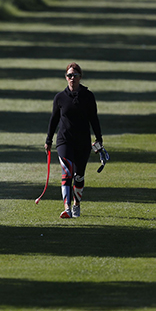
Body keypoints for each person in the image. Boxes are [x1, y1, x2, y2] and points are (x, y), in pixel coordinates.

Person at [45, 62, 103, 218]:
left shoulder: (88, 96)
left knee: (78, 176)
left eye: (75, 75)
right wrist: (49, 140)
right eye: (69, 75)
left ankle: (76, 204)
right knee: (66, 173)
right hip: (64, 140)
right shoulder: (60, 98)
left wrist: (99, 139)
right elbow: (54, 120)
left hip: (83, 142)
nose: (72, 78)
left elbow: (94, 119)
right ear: (66, 77)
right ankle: (67, 208)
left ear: (80, 77)